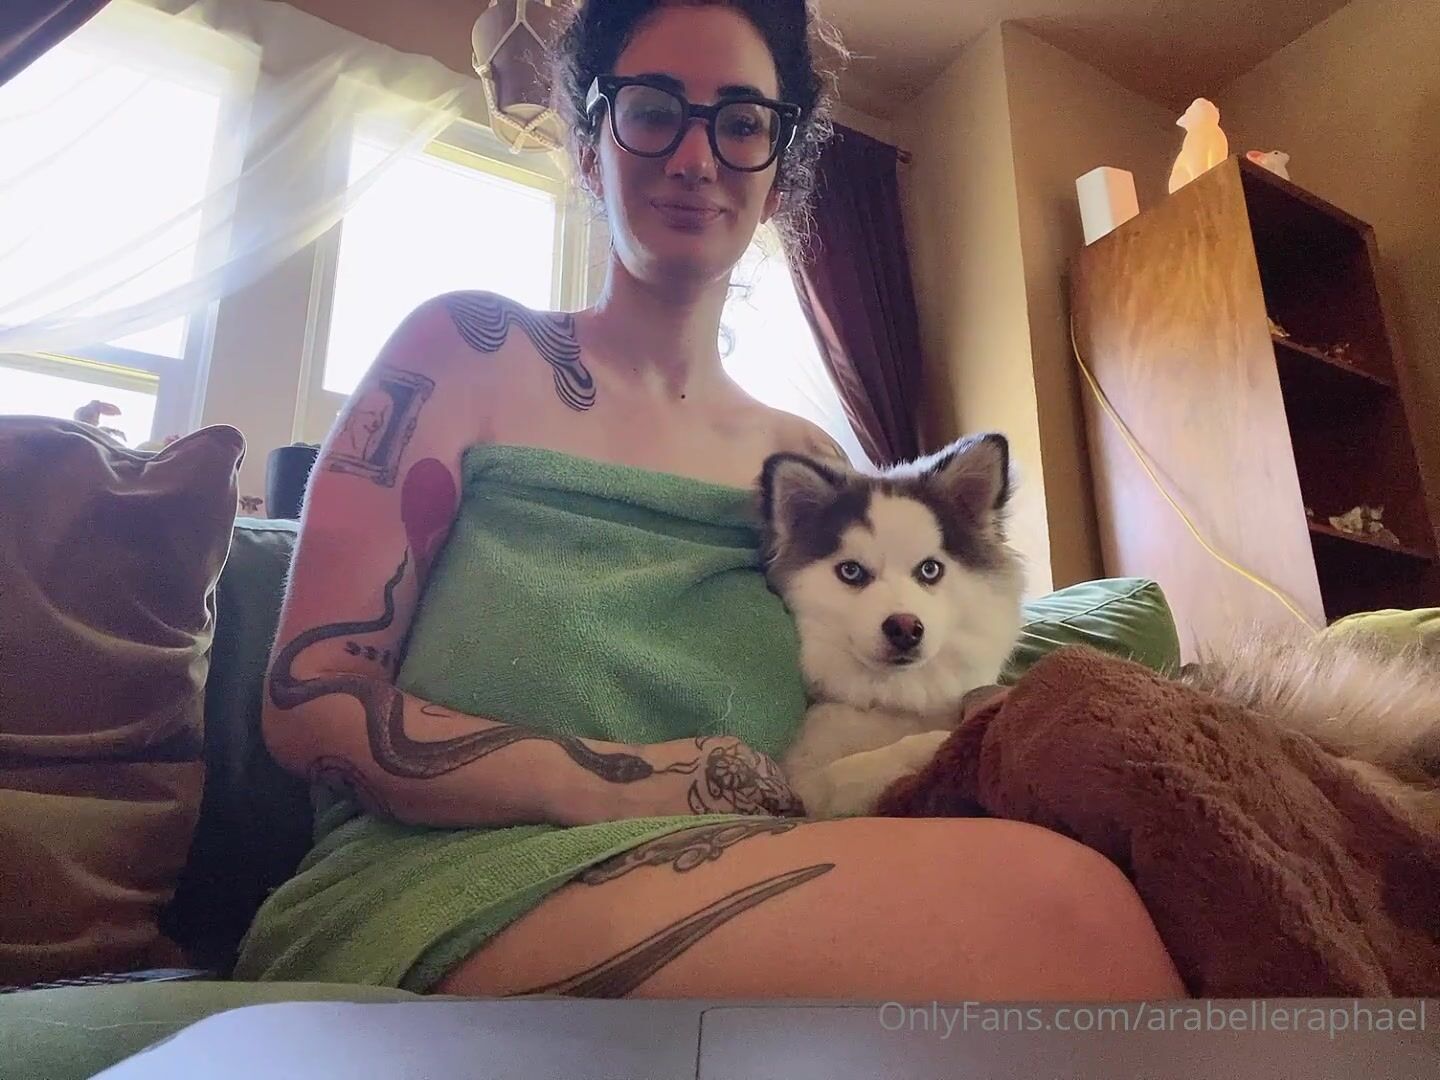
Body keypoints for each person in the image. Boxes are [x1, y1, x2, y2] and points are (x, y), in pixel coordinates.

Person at [237, 0, 1186, 1001]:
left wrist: (990, 720)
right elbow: (312, 702)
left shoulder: (810, 466)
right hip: (441, 883)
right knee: (1061, 916)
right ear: (589, 143)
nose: (696, 157)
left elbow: (867, 695)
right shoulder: (464, 353)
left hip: (745, 856)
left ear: (777, 171)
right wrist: (629, 780)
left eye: (740, 123)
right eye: (654, 109)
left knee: (1113, 879)